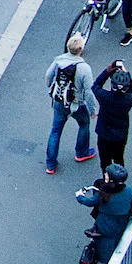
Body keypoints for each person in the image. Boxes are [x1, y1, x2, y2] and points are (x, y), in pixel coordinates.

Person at [44, 35, 93, 173]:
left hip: (60, 101)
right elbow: (89, 91)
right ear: (81, 50)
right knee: (84, 124)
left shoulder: (58, 61)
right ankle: (81, 153)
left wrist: (51, 89)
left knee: (55, 130)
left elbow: (48, 76)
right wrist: (93, 108)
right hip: (77, 104)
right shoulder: (84, 68)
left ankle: (50, 164)